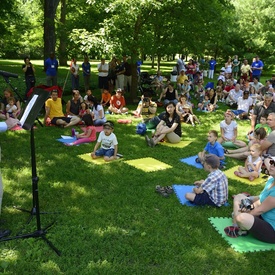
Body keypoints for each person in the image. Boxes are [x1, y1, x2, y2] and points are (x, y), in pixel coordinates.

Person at [224, 157, 275, 242]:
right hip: (262, 217)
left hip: (271, 228)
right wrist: (249, 207)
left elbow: (259, 211)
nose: (271, 166)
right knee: (239, 197)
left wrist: (245, 213)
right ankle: (238, 227)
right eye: (272, 163)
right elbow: (260, 200)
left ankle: (237, 223)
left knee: (242, 218)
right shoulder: (271, 180)